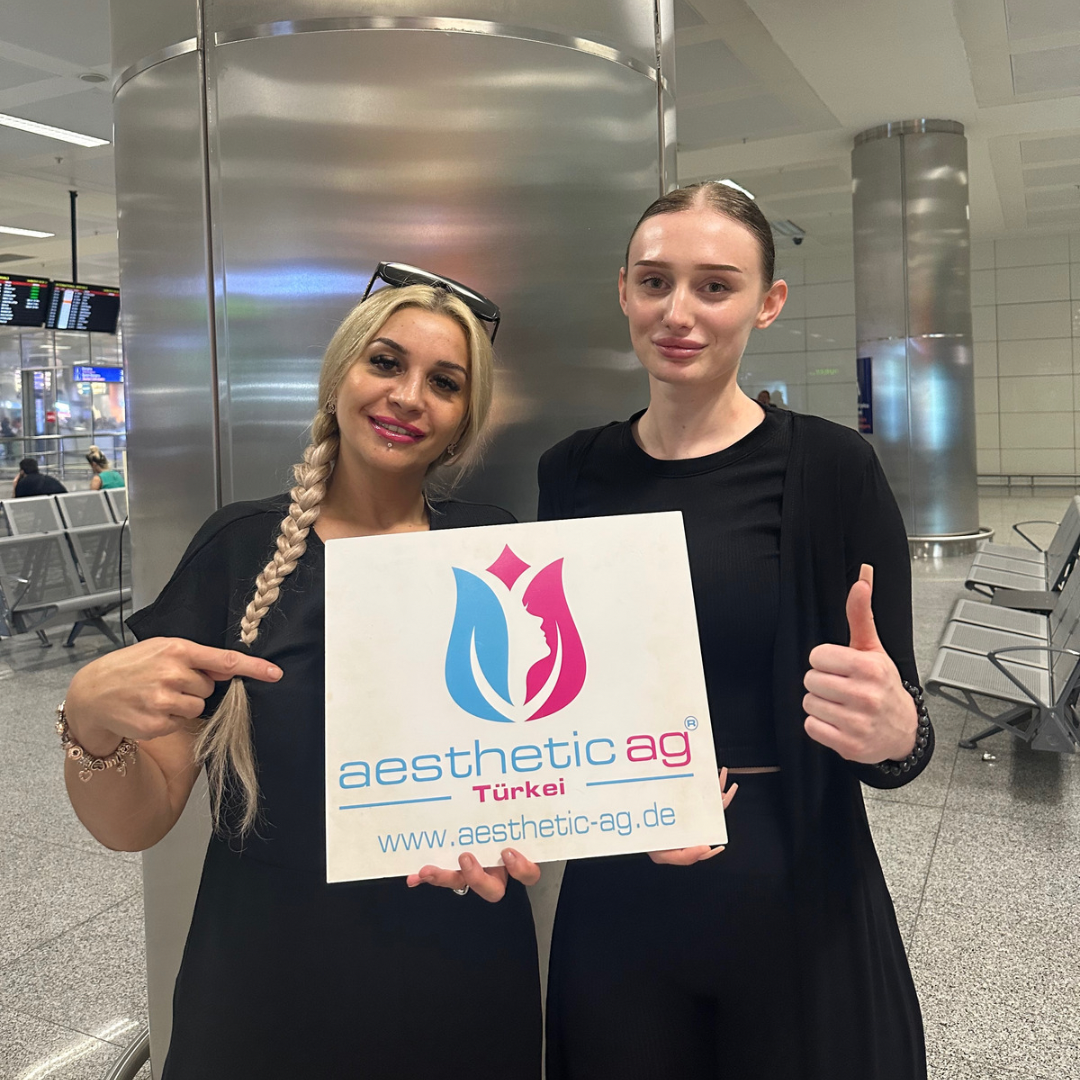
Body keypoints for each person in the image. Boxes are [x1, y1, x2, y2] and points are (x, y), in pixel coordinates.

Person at [60, 277, 542, 1079]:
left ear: (464, 420)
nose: (408, 396)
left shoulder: (494, 548)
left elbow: (532, 755)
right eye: (385, 362)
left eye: (445, 382)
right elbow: (136, 822)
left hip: (460, 956)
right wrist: (89, 717)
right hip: (270, 970)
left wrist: (532, 829)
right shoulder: (239, 548)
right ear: (339, 375)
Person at [538, 182, 934, 1080]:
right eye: (654, 282)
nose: (678, 312)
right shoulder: (572, 473)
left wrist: (896, 731)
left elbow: (902, 735)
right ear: (624, 292)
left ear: (768, 302)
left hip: (796, 888)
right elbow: (561, 697)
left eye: (715, 286)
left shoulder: (833, 468)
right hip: (619, 892)